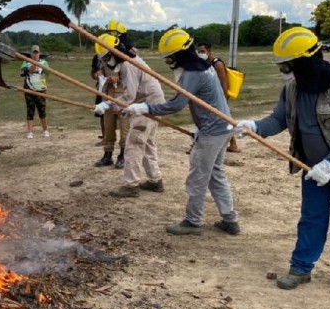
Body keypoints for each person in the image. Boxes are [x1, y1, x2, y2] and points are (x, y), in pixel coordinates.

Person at [235, 27, 330, 298]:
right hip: (312, 169)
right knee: (311, 218)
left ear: (304, 62)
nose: (284, 73)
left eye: (287, 66)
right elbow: (279, 119)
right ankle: (301, 267)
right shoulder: (292, 89)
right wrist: (254, 126)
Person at [123, 28, 239, 235]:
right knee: (215, 173)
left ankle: (193, 221)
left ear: (179, 56)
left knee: (198, 176)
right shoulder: (203, 67)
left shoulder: (193, 73)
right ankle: (230, 219)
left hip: (213, 130)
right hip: (222, 127)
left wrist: (145, 108)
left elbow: (176, 105)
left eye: (170, 60)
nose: (169, 64)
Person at [94, 32, 166, 197]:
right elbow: (130, 96)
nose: (106, 62)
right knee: (147, 143)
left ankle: (131, 185)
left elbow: (129, 96)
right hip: (150, 105)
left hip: (147, 107)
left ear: (113, 52)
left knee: (133, 143)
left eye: (106, 58)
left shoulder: (128, 65)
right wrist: (111, 105)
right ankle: (155, 181)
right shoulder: (130, 62)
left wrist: (107, 104)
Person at [93, 32, 129, 169]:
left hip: (124, 96)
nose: (106, 59)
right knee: (108, 127)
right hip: (108, 96)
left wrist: (118, 79)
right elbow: (100, 71)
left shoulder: (125, 61)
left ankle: (123, 155)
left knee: (125, 127)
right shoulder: (103, 60)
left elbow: (131, 80)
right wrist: (100, 75)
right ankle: (107, 155)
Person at [197, 42, 240, 153]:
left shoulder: (217, 64)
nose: (200, 53)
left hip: (220, 98)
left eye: (202, 51)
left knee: (224, 120)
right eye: (199, 51)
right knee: (224, 120)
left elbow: (224, 84)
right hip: (211, 97)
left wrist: (224, 100)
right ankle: (232, 144)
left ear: (209, 51)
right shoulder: (204, 63)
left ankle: (233, 144)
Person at [20, 45, 49, 139]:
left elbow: (47, 73)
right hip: (29, 89)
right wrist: (31, 67)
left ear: (39, 53)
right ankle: (30, 132)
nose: (35, 54)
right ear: (31, 53)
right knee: (30, 110)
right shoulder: (26, 62)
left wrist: (39, 65)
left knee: (42, 110)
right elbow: (22, 73)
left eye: (37, 52)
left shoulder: (44, 62)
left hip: (41, 90)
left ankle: (45, 130)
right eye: (34, 52)